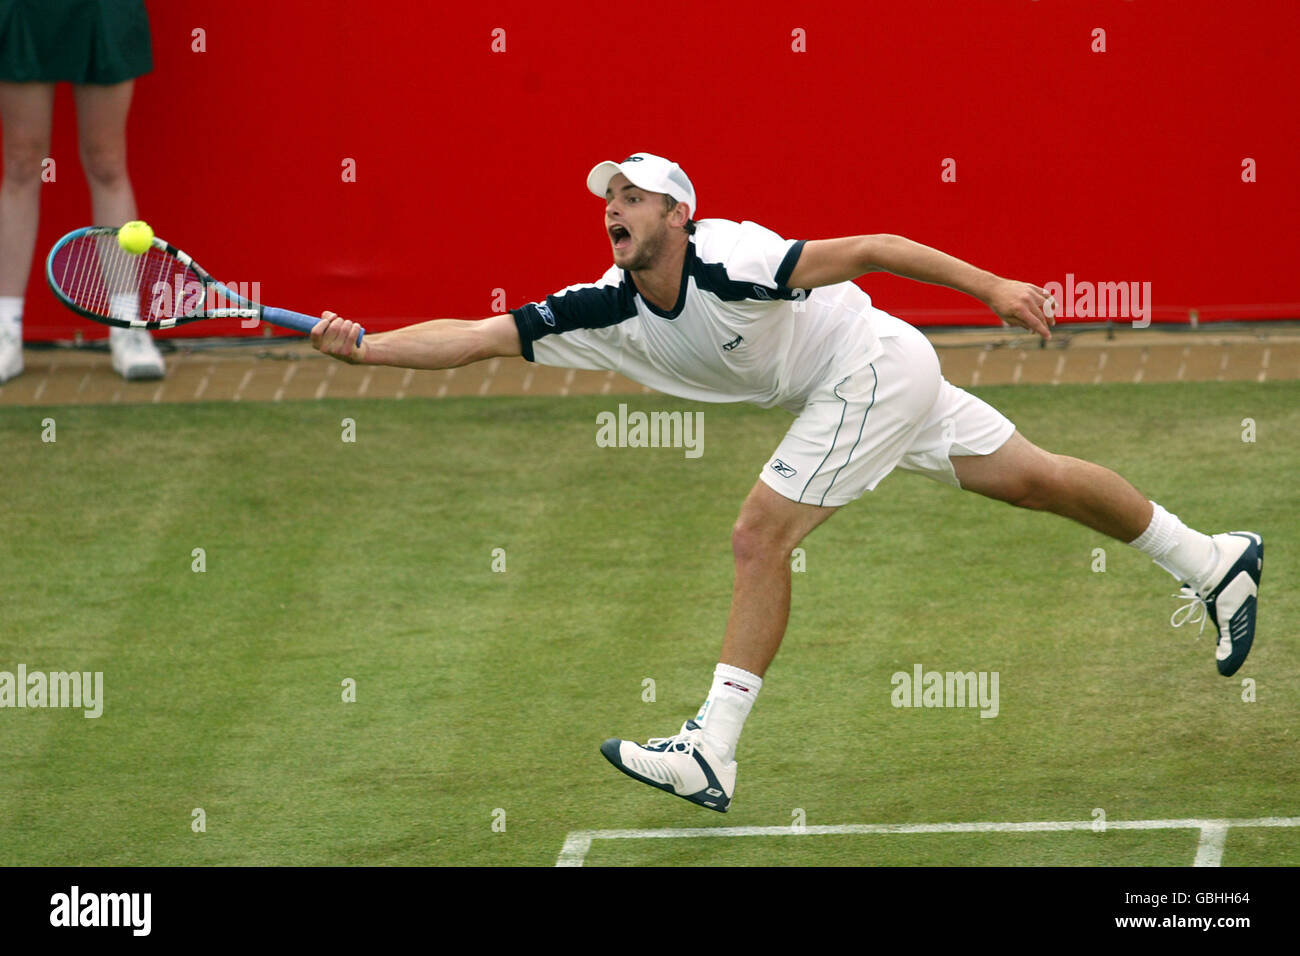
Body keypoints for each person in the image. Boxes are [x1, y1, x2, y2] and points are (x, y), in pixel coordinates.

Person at [310, 152, 1263, 813]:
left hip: (870, 367)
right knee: (1035, 480)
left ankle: (710, 750)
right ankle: (1212, 560)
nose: (615, 209)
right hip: (878, 374)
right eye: (610, 198)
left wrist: (996, 287)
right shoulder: (597, 307)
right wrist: (365, 350)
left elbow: (881, 246)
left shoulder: (736, 256)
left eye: (636, 197)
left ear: (677, 214)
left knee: (758, 535)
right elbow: (475, 340)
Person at [0, 0, 164, 382]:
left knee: (107, 162)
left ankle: (126, 323)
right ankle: (5, 328)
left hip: (102, 10)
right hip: (25, 11)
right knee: (21, 163)